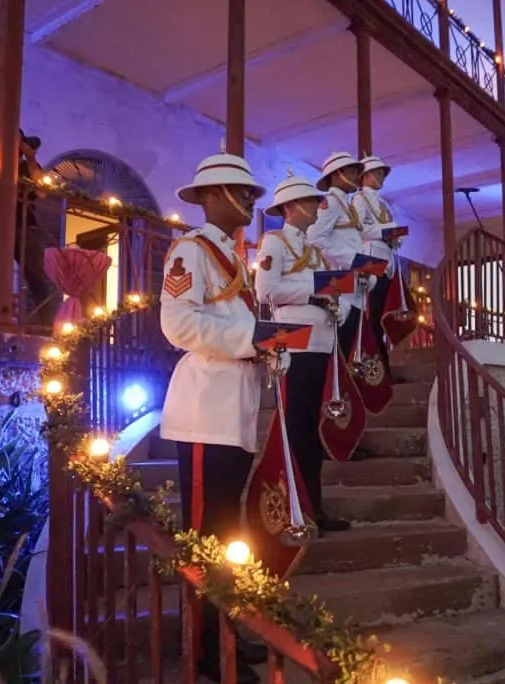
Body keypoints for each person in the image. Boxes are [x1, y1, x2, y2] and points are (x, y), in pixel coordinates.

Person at [159, 150, 272, 684]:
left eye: (250, 191)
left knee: (226, 533)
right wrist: (252, 338)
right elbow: (179, 325)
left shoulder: (233, 255)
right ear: (212, 197)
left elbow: (239, 331)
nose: (251, 199)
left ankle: (223, 629)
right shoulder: (190, 251)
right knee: (205, 537)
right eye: (240, 190)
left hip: (235, 413)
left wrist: (269, 344)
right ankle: (203, 650)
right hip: (206, 414)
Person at [255, 172, 352, 534]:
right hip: (295, 344)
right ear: (293, 207)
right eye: (311, 201)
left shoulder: (314, 250)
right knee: (297, 429)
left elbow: (328, 292)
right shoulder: (274, 242)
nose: (318, 206)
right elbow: (266, 290)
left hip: (323, 343)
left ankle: (314, 506)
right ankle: (297, 506)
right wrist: (312, 291)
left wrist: (335, 305)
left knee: (313, 430)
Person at [307, 152, 376, 358]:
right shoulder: (330, 202)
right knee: (339, 355)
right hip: (339, 285)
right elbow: (315, 239)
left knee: (349, 352)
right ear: (337, 174)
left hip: (352, 286)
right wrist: (355, 262)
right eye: (353, 171)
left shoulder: (346, 205)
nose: (357, 176)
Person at [352, 154, 399, 377]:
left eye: (382, 173)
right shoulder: (359, 199)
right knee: (372, 318)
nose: (381, 177)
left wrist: (395, 236)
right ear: (365, 176)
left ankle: (383, 367)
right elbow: (358, 230)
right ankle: (375, 369)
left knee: (380, 317)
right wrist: (384, 231)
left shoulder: (384, 204)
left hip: (387, 261)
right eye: (377, 173)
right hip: (371, 260)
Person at [14, 129, 57, 326]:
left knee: (36, 277)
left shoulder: (27, 166)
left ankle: (45, 325)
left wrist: (31, 158)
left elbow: (41, 192)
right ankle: (4, 312)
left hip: (25, 225)